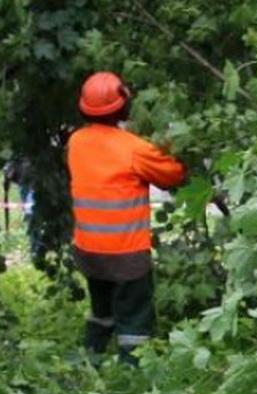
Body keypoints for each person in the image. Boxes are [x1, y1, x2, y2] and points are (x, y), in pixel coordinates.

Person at [67, 71, 187, 364]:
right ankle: (131, 374)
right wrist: (171, 146)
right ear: (124, 106)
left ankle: (89, 362)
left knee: (102, 311)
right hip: (127, 256)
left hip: (89, 252)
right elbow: (174, 175)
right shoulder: (134, 148)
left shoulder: (76, 142)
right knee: (134, 320)